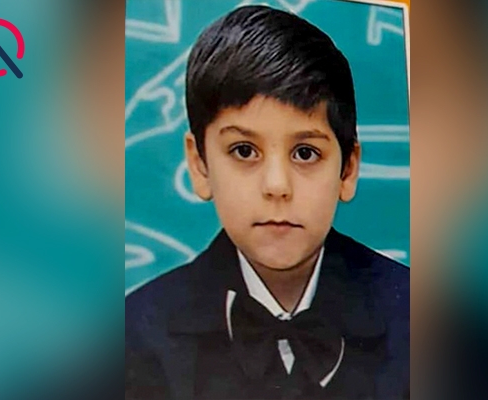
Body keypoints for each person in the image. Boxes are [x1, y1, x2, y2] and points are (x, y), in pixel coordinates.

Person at [126, 5, 409, 399]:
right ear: (200, 165)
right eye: (243, 150)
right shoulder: (135, 337)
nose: (277, 186)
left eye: (306, 153)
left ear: (347, 169)